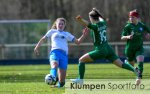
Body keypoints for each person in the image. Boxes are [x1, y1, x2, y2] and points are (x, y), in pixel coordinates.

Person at [71, 8, 140, 84]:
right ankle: (134, 70)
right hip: (108, 49)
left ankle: (80, 80)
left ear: (91, 18)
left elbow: (87, 24)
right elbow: (100, 18)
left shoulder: (95, 27)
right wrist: (96, 12)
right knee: (121, 64)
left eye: (89, 17)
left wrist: (80, 19)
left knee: (81, 60)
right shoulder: (103, 23)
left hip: (100, 50)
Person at [34, 18, 87, 88]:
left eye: (62, 24)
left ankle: (58, 84)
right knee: (55, 64)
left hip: (64, 55)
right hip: (55, 52)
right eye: (59, 23)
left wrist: (84, 35)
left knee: (62, 82)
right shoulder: (52, 31)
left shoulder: (67, 34)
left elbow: (78, 42)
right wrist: (37, 47)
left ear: (64, 25)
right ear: (56, 24)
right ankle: (52, 77)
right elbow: (43, 39)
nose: (61, 25)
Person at [121, 9, 150, 85]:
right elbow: (122, 37)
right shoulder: (128, 26)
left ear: (137, 18)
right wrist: (127, 37)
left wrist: (148, 35)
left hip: (139, 48)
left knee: (140, 62)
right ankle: (127, 63)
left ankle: (138, 78)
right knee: (131, 66)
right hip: (130, 49)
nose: (131, 19)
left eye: (132, 17)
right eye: (130, 17)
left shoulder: (142, 25)